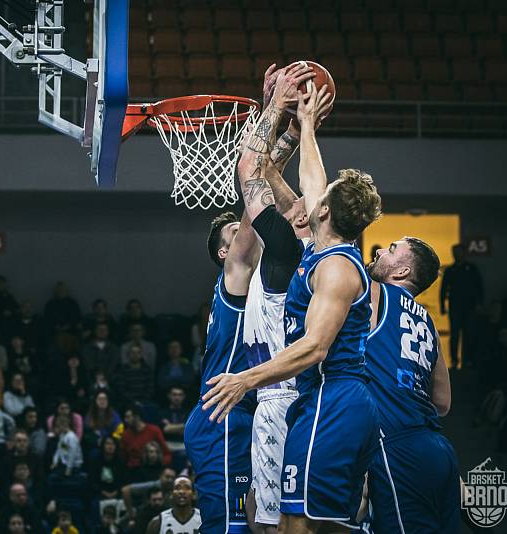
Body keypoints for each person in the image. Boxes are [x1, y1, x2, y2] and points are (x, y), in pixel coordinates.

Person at [203, 83, 383, 532]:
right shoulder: (319, 247)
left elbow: (251, 167)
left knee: (285, 527)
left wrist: (273, 106)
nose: (301, 196)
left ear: (315, 214)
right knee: (327, 521)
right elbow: (306, 173)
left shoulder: (314, 260)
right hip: (314, 395)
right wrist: (303, 124)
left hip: (313, 393)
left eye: (311, 199)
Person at [183, 64, 316, 534]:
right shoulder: (236, 275)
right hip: (223, 414)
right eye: (237, 233)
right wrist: (271, 109)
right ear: (225, 251)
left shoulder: (273, 274)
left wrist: (296, 128)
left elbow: (266, 180)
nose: (248, 233)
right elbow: (251, 182)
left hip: (256, 404)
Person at [365, 238, 459, 532]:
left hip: (397, 445)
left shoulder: (375, 295)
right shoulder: (427, 321)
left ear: (403, 271)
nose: (380, 251)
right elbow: (443, 402)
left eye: (391, 249)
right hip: (439, 449)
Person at [440, 243, 484, 368]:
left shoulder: (471, 268)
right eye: (455, 253)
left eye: (459, 252)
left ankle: (467, 360)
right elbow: (443, 289)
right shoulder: (450, 270)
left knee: (468, 334)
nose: (457, 255)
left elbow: (479, 286)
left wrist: (479, 303)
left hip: (470, 306)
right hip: (455, 307)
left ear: (463, 253)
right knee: (455, 335)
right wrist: (443, 305)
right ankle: (454, 360)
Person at [120, 403, 170, 476]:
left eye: (128, 417)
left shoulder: (154, 430)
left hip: (154, 470)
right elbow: (123, 457)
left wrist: (159, 463)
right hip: (133, 471)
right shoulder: (125, 435)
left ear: (136, 417)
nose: (125, 420)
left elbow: (167, 454)